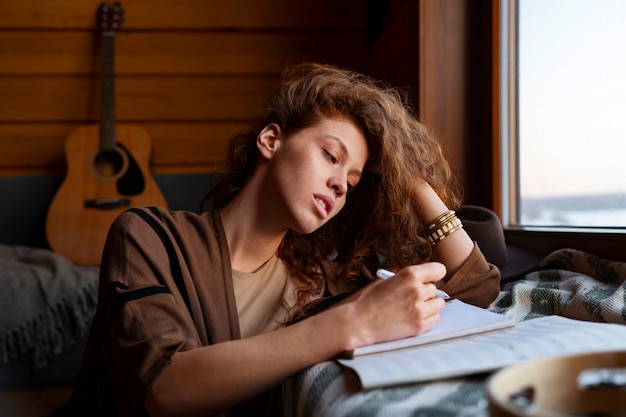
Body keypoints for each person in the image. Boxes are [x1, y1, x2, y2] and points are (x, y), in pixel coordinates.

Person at [51, 63, 500, 417]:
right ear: (271, 140)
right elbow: (166, 389)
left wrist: (414, 181)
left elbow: (476, 289)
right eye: (330, 156)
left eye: (354, 179)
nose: (341, 184)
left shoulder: (321, 280)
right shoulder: (149, 237)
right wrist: (353, 323)